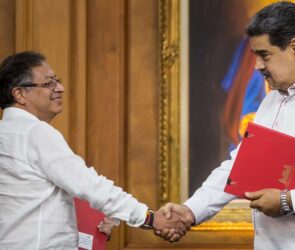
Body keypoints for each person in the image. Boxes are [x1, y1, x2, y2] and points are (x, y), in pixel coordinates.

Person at [158, 1, 295, 249]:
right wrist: (191, 211)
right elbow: (239, 167)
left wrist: (288, 201)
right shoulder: (271, 100)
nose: (257, 66)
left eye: (264, 55)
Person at [0, 51, 187, 249]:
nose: (60, 88)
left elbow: (33, 199)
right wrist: (149, 218)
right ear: (19, 94)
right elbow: (89, 185)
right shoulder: (36, 133)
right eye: (48, 83)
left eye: (57, 80)